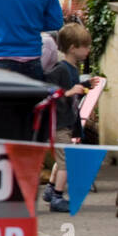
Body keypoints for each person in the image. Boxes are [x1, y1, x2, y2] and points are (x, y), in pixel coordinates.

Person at [42, 23, 95, 213]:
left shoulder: (73, 69)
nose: (89, 50)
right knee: (68, 160)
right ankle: (57, 196)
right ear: (73, 48)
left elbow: (74, 93)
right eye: (86, 46)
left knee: (62, 158)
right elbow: (48, 88)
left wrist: (86, 84)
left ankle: (50, 189)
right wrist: (69, 91)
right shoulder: (61, 69)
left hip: (66, 123)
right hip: (59, 124)